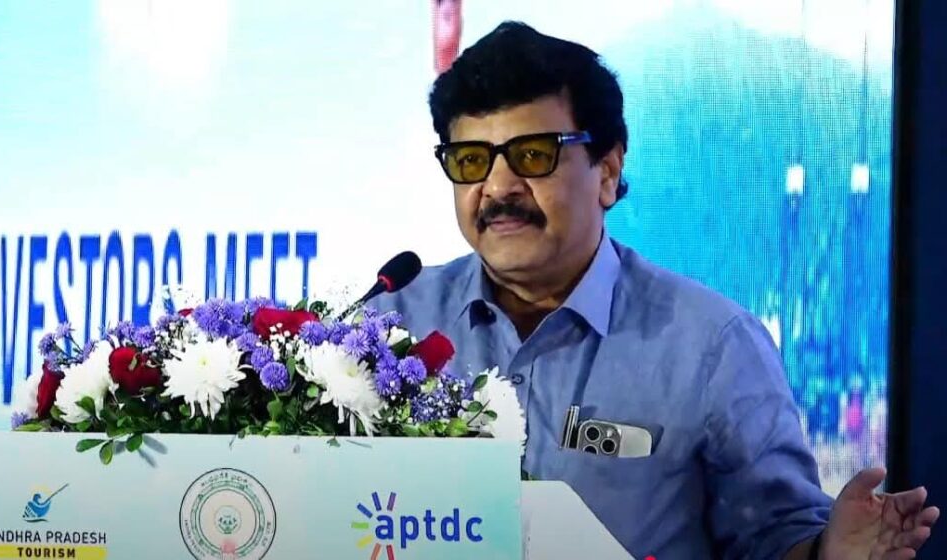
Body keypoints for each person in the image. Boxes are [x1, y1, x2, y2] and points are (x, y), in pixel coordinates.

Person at [372, 21, 938, 559]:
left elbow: (771, 538)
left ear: (607, 170)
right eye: (472, 160)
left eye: (533, 155)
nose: (498, 187)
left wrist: (826, 553)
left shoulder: (712, 346)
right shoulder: (388, 324)